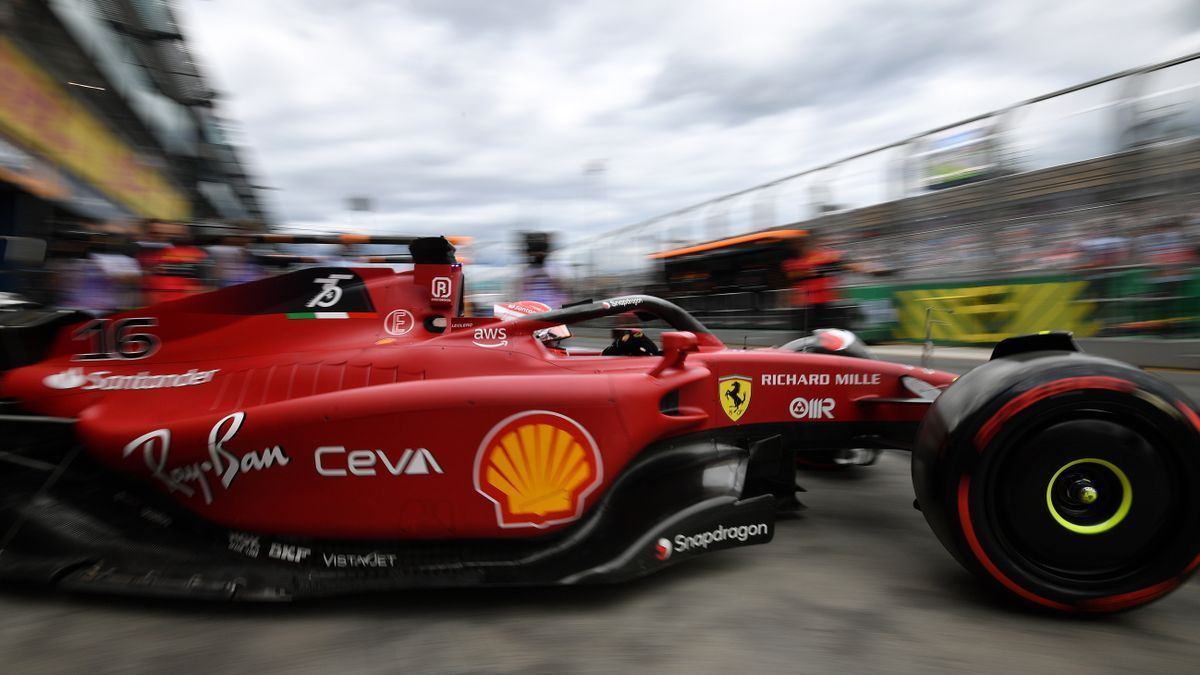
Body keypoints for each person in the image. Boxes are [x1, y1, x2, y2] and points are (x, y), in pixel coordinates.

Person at [137, 220, 212, 305]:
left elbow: (204, 285)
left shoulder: (195, 254)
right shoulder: (143, 254)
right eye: (155, 233)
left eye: (178, 234)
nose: (161, 237)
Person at [783, 234, 844, 332]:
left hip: (823, 300)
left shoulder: (817, 256)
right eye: (801, 245)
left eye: (805, 245)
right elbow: (794, 274)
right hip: (805, 302)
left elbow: (837, 259)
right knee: (810, 329)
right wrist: (814, 270)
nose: (804, 247)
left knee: (825, 328)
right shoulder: (792, 262)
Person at [513, 232, 568, 309]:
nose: (537, 254)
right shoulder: (527, 270)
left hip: (553, 308)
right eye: (534, 252)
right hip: (533, 309)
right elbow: (522, 290)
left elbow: (561, 287)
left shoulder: (553, 267)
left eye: (540, 251)